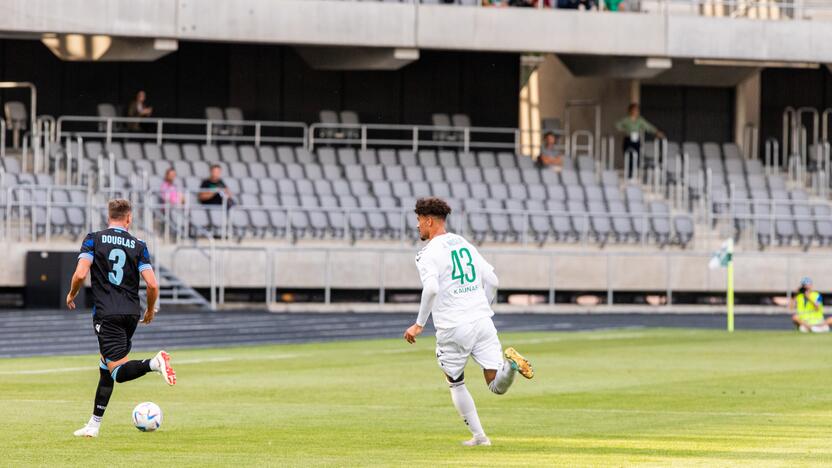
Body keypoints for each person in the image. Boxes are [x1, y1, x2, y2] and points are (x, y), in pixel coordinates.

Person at [403, 197, 534, 447]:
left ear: (429, 220)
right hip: (482, 321)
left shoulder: (427, 253)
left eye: (419, 221)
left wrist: (419, 324)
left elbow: (430, 289)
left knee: (455, 381)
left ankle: (480, 437)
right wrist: (483, 307)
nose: (418, 226)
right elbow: (493, 280)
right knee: (496, 385)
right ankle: (510, 368)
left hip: (454, 326)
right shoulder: (464, 243)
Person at [67, 199, 176, 438]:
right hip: (131, 314)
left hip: (107, 314)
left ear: (110, 217)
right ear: (129, 218)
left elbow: (80, 273)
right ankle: (93, 426)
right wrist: (149, 309)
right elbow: (152, 284)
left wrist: (72, 293)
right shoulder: (139, 245)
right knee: (105, 367)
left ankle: (154, 363)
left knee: (117, 371)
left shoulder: (93, 239)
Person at [615, 103, 664, 177]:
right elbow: (617, 125)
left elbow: (648, 127)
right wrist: (625, 130)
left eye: (637, 110)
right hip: (628, 139)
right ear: (630, 111)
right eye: (634, 110)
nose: (635, 112)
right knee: (629, 156)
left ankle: (634, 172)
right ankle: (629, 174)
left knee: (636, 156)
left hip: (636, 139)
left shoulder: (640, 120)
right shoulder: (626, 120)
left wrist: (656, 132)